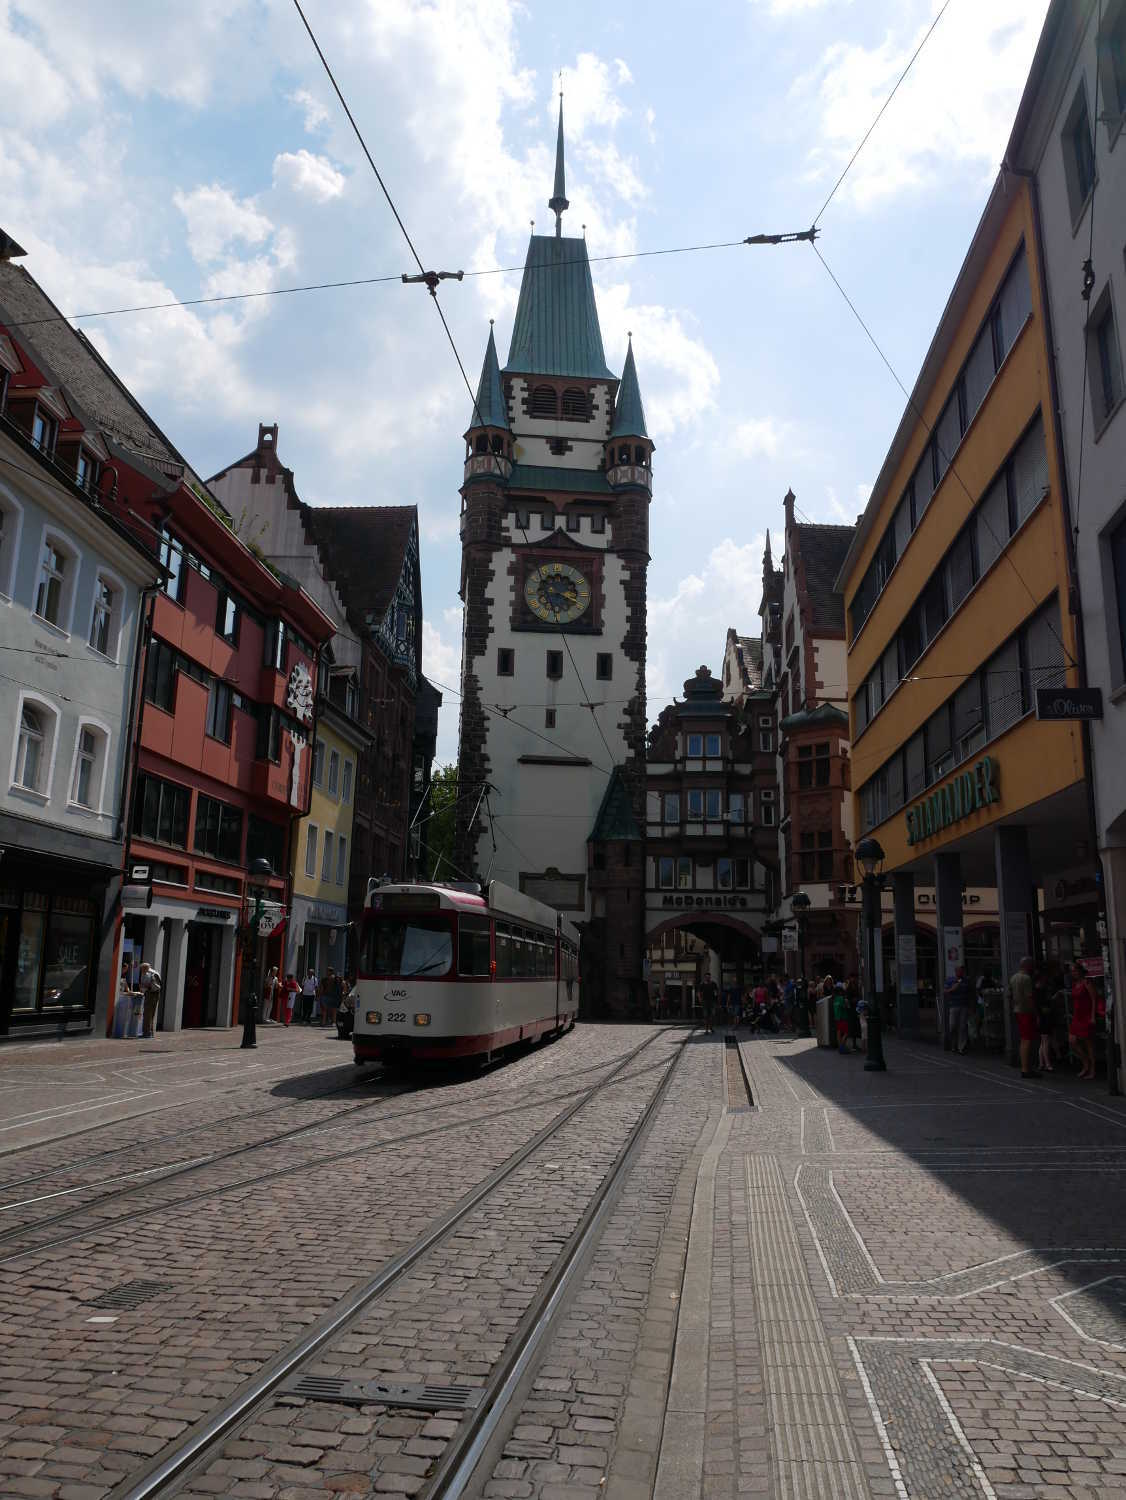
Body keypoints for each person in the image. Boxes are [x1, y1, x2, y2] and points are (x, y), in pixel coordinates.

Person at [1009, 956, 1038, 1078]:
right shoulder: (1026, 978)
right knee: (1027, 1039)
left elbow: (1009, 995)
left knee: (1023, 1039)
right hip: (1026, 1011)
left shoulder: (1013, 977)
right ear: (1028, 966)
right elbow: (1029, 997)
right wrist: (1035, 1012)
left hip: (1017, 1010)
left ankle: (1025, 1067)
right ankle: (1025, 1068)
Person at [1069, 961, 1097, 1080]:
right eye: (1072, 971)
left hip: (1085, 1016)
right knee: (1072, 1041)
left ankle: (1092, 1070)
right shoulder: (1075, 984)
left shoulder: (1087, 982)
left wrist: (1092, 1016)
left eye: (1075, 970)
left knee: (1088, 1044)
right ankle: (1086, 1062)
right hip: (1077, 1016)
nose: (1073, 973)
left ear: (1080, 971)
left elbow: (1094, 999)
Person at [945, 966, 971, 1055]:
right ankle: (953, 1044)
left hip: (964, 1006)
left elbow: (970, 993)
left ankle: (961, 1047)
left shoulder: (966, 981)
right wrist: (954, 987)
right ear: (955, 972)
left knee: (962, 1027)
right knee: (952, 1025)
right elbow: (946, 991)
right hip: (953, 1005)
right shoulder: (950, 980)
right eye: (958, 971)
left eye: (961, 972)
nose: (960, 973)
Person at [138, 962, 162, 1039]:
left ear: (145, 968)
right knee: (150, 1014)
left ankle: (147, 1033)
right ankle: (149, 1032)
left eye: (142, 969)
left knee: (148, 1014)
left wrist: (145, 987)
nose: (141, 971)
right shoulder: (151, 973)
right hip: (152, 994)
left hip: (152, 995)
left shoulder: (150, 974)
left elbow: (155, 986)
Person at [833, 981, 850, 1055]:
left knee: (839, 1032)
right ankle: (842, 1046)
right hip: (843, 1017)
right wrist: (847, 1003)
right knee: (846, 1032)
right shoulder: (841, 998)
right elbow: (846, 1007)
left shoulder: (835, 998)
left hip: (837, 1017)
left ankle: (840, 1046)